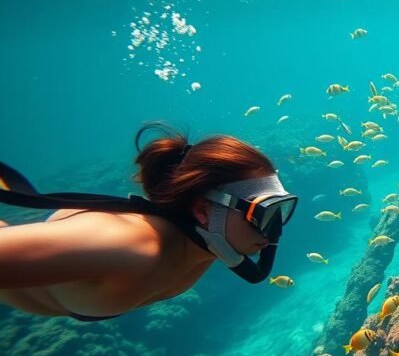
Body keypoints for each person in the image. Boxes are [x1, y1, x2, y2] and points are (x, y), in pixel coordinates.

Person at [0, 123, 297, 321]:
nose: (275, 230)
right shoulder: (132, 247)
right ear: (203, 211)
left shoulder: (208, 245)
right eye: (263, 213)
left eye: (281, 211)